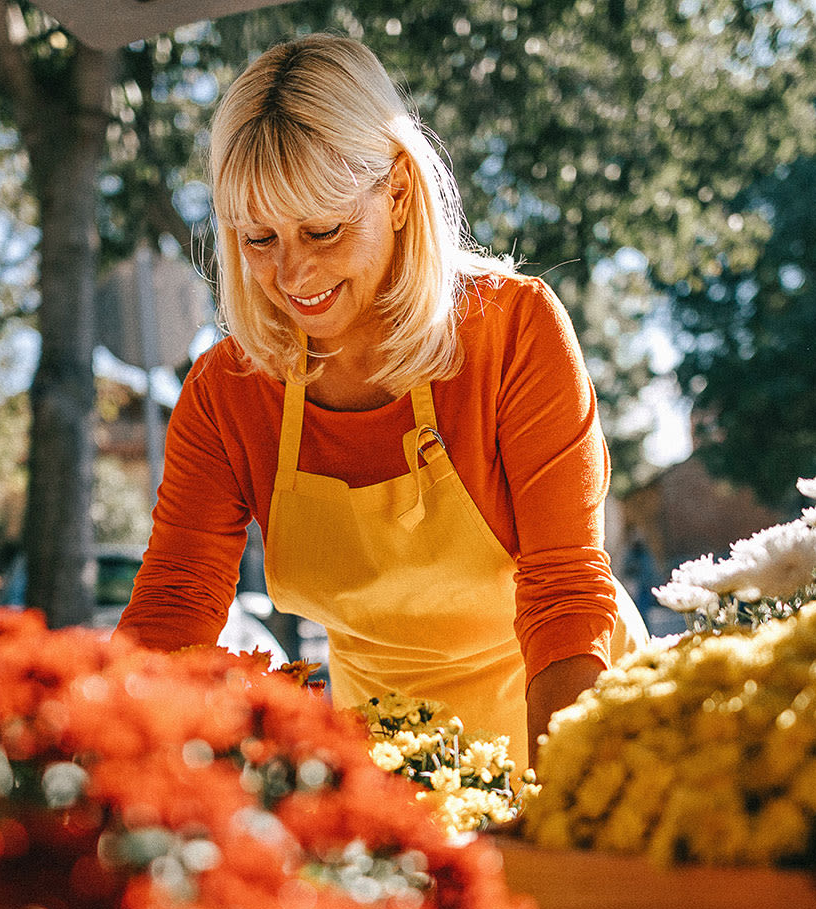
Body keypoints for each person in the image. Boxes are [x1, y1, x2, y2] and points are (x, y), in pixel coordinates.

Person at [118, 33, 645, 769]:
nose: (291, 272)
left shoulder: (512, 330)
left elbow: (564, 594)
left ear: (397, 191)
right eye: (258, 238)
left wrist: (564, 806)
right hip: (385, 756)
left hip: (571, 718)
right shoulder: (227, 392)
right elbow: (176, 605)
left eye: (323, 229)